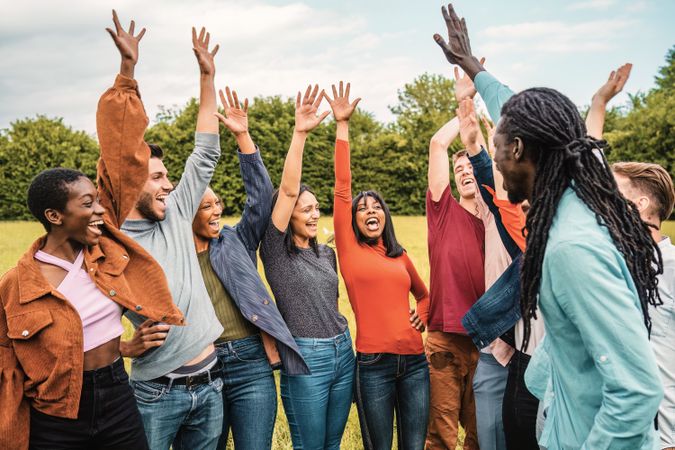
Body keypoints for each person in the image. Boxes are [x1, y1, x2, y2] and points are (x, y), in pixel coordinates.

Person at [434, 4, 664, 448]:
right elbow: (515, 110)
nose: (494, 160)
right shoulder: (576, 185)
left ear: (518, 150)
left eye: (497, 150)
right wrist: (472, 67)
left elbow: (636, 391)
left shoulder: (571, 249)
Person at [0, 12, 184, 450]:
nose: (101, 209)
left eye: (99, 200)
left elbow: (122, 156)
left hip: (117, 397)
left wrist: (127, 73)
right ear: (55, 216)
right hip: (56, 417)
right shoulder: (16, 286)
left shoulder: (103, 249)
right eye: (88, 204)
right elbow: (13, 365)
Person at [100, 16, 225, 449]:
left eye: (167, 176)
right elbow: (82, 319)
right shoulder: (111, 240)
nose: (168, 185)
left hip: (211, 381)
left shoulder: (174, 213)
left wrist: (207, 76)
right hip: (155, 392)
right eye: (156, 177)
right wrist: (127, 348)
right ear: (131, 182)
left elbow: (205, 152)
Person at [191, 86, 310, 450]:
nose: (216, 212)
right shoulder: (173, 255)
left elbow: (260, 198)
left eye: (218, 204)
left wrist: (243, 138)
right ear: (186, 212)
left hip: (249, 362)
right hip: (200, 365)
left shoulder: (235, 240)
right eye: (206, 206)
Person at [329, 81, 430, 450]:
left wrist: (423, 312)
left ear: (385, 216)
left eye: (376, 207)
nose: (370, 211)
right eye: (362, 209)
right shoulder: (350, 249)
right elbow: (343, 185)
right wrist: (343, 126)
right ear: (353, 220)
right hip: (373, 366)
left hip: (416, 364)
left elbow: (424, 294)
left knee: (414, 446)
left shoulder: (399, 256)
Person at [260, 85, 354, 450]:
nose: (314, 214)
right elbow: (286, 191)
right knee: (310, 446)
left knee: (333, 444)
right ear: (288, 216)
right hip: (306, 356)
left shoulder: (325, 254)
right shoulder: (276, 253)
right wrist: (300, 134)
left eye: (317, 208)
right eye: (306, 209)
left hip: (343, 351)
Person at [612, 162, 675, 450]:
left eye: (613, 193)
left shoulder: (672, 268)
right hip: (612, 430)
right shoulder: (610, 267)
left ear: (640, 204)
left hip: (662, 437)